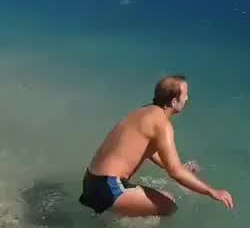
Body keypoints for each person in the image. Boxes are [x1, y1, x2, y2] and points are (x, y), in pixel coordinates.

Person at [79, 74, 233, 218]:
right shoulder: (162, 124)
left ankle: (118, 214)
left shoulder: (143, 111)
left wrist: (181, 168)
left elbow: (149, 150)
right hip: (109, 188)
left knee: (163, 197)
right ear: (173, 102)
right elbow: (175, 172)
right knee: (170, 206)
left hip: (92, 181)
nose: (187, 98)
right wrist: (212, 191)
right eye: (185, 95)